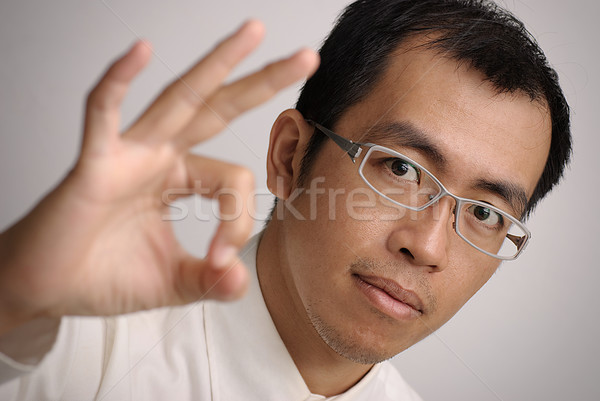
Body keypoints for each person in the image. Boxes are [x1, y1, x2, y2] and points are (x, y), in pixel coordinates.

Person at [0, 0, 571, 399]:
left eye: (484, 213)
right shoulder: (73, 347)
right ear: (289, 158)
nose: (427, 246)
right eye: (401, 168)